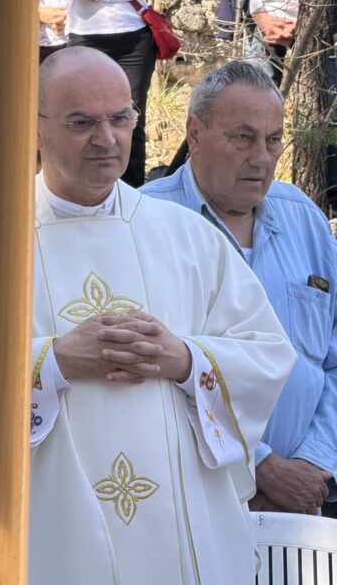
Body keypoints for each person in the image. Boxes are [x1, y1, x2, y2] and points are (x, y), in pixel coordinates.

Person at [0, 47, 294, 583]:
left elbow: (266, 354)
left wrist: (185, 358)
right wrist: (52, 363)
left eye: (120, 119)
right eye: (82, 122)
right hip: (49, 537)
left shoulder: (187, 237)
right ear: (33, 128)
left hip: (179, 533)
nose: (107, 140)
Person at [143, 61, 337, 516]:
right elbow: (151, 374)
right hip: (194, 494)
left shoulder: (302, 217)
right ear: (194, 132)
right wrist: (262, 467)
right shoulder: (144, 221)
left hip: (308, 495)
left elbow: (333, 355)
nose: (262, 158)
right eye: (243, 138)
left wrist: (314, 461)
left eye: (273, 140)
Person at [55, 0, 156, 188]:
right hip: (86, 36)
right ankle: (84, 185)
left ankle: (132, 191)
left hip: (134, 39)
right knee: (81, 116)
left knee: (131, 118)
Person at [215, 0, 303, 83]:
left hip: (314, 22)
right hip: (261, 21)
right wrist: (260, 15)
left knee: (324, 92)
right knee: (259, 91)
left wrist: (304, 22)